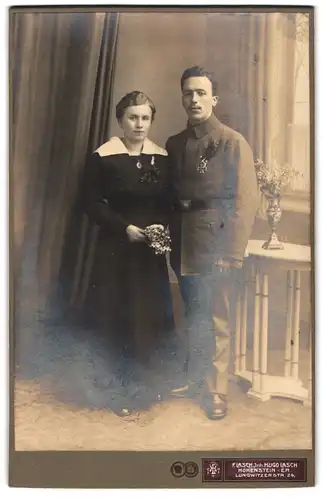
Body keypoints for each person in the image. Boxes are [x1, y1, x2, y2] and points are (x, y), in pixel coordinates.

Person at [166, 66, 259, 420]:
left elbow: (246, 198)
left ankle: (216, 391)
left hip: (216, 243)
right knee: (193, 314)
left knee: (217, 317)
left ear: (214, 99)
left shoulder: (232, 141)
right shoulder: (175, 143)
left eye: (201, 93)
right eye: (188, 93)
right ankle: (194, 380)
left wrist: (231, 251)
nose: (194, 99)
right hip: (184, 240)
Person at [82, 91, 175, 415]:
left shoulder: (161, 157)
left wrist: (160, 227)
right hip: (116, 250)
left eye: (145, 118)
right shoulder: (103, 156)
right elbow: (90, 202)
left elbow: (167, 202)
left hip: (148, 251)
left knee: (147, 315)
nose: (139, 124)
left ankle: (146, 386)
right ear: (120, 120)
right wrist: (123, 228)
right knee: (118, 316)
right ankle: (119, 393)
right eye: (132, 117)